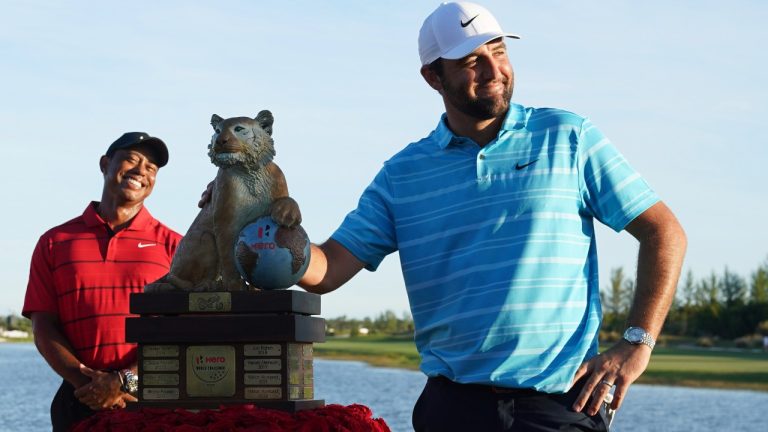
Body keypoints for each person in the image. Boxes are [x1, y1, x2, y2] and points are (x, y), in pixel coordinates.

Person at [297, 2, 687, 431]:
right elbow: (327, 268)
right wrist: (254, 219)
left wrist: (638, 341)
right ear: (433, 77)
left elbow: (663, 231)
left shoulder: (568, 137)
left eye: (499, 51)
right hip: (452, 409)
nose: (493, 69)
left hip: (560, 408)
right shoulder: (402, 174)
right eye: (471, 60)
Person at [22, 132, 182, 432]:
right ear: (105, 164)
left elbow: (183, 331)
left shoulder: (176, 247)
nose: (140, 171)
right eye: (131, 160)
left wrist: (124, 381)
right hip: (79, 397)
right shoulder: (55, 242)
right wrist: (89, 385)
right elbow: (43, 325)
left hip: (151, 401)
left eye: (151, 168)